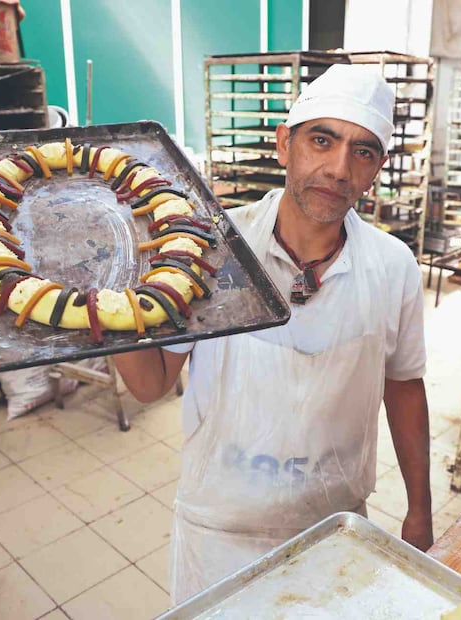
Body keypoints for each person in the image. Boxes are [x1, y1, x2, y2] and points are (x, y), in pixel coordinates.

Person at [113, 64, 432, 603]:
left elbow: (403, 385)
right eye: (321, 140)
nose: (337, 169)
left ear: (378, 167)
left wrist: (420, 510)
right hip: (221, 532)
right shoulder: (211, 252)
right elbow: (150, 385)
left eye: (363, 151)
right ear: (285, 144)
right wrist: (112, 293)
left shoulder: (392, 265)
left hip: (334, 531)